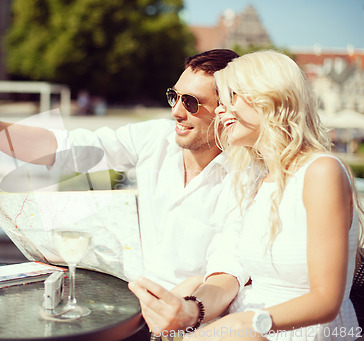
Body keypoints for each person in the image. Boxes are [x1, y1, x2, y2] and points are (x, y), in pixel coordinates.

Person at [0, 49, 247, 338]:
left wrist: (184, 312)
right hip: (129, 307)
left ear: (225, 110)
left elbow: (227, 272)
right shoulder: (155, 138)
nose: (176, 110)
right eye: (174, 96)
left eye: (191, 102)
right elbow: (60, 148)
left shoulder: (246, 175)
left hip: (197, 324)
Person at [130, 50, 363, 340]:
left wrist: (249, 323)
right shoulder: (258, 182)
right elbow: (231, 269)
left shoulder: (321, 171)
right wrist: (187, 302)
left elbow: (327, 300)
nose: (219, 110)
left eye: (231, 98)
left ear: (268, 99)